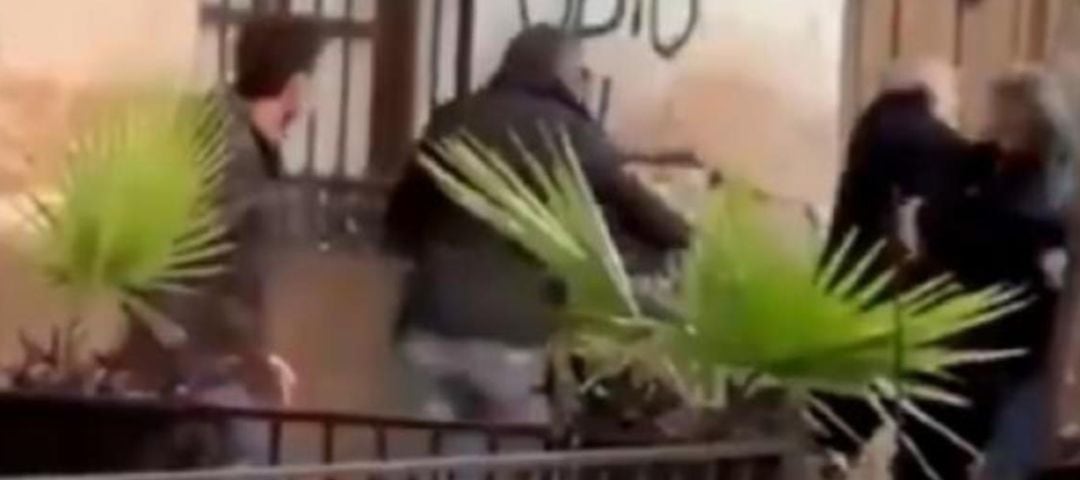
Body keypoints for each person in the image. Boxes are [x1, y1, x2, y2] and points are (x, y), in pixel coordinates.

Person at [384, 25, 689, 424]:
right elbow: (640, 212)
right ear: (563, 74)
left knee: (431, 455)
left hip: (429, 324)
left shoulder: (452, 119)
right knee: (509, 454)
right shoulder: (574, 135)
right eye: (581, 74)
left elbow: (402, 215)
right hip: (514, 333)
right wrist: (691, 240)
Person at [120, 15, 323, 466]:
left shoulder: (209, 133)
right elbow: (181, 258)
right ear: (295, 87)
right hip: (206, 376)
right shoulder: (232, 154)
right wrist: (240, 358)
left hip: (185, 368)